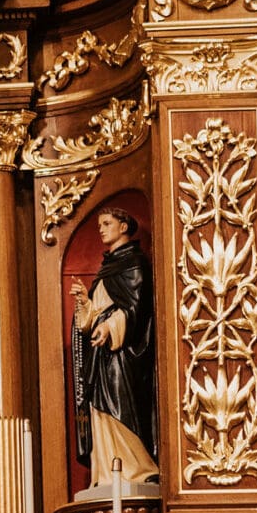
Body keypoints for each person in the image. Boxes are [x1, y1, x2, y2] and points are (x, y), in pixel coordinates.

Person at [70, 205, 159, 491]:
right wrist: (85, 301)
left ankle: (136, 469)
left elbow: (137, 309)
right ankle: (108, 472)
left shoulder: (134, 263)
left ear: (124, 226)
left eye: (107, 223)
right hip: (102, 355)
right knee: (100, 409)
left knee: (122, 405)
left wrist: (110, 327)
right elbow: (93, 318)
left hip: (123, 355)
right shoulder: (107, 267)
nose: (101, 229)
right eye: (99, 225)